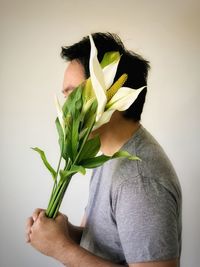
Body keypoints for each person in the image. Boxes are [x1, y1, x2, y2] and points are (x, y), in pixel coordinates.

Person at [26, 32, 182, 267]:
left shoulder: (139, 180)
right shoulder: (108, 153)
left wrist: (60, 248)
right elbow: (113, 245)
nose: (66, 108)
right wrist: (66, 233)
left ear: (110, 95)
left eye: (73, 94)